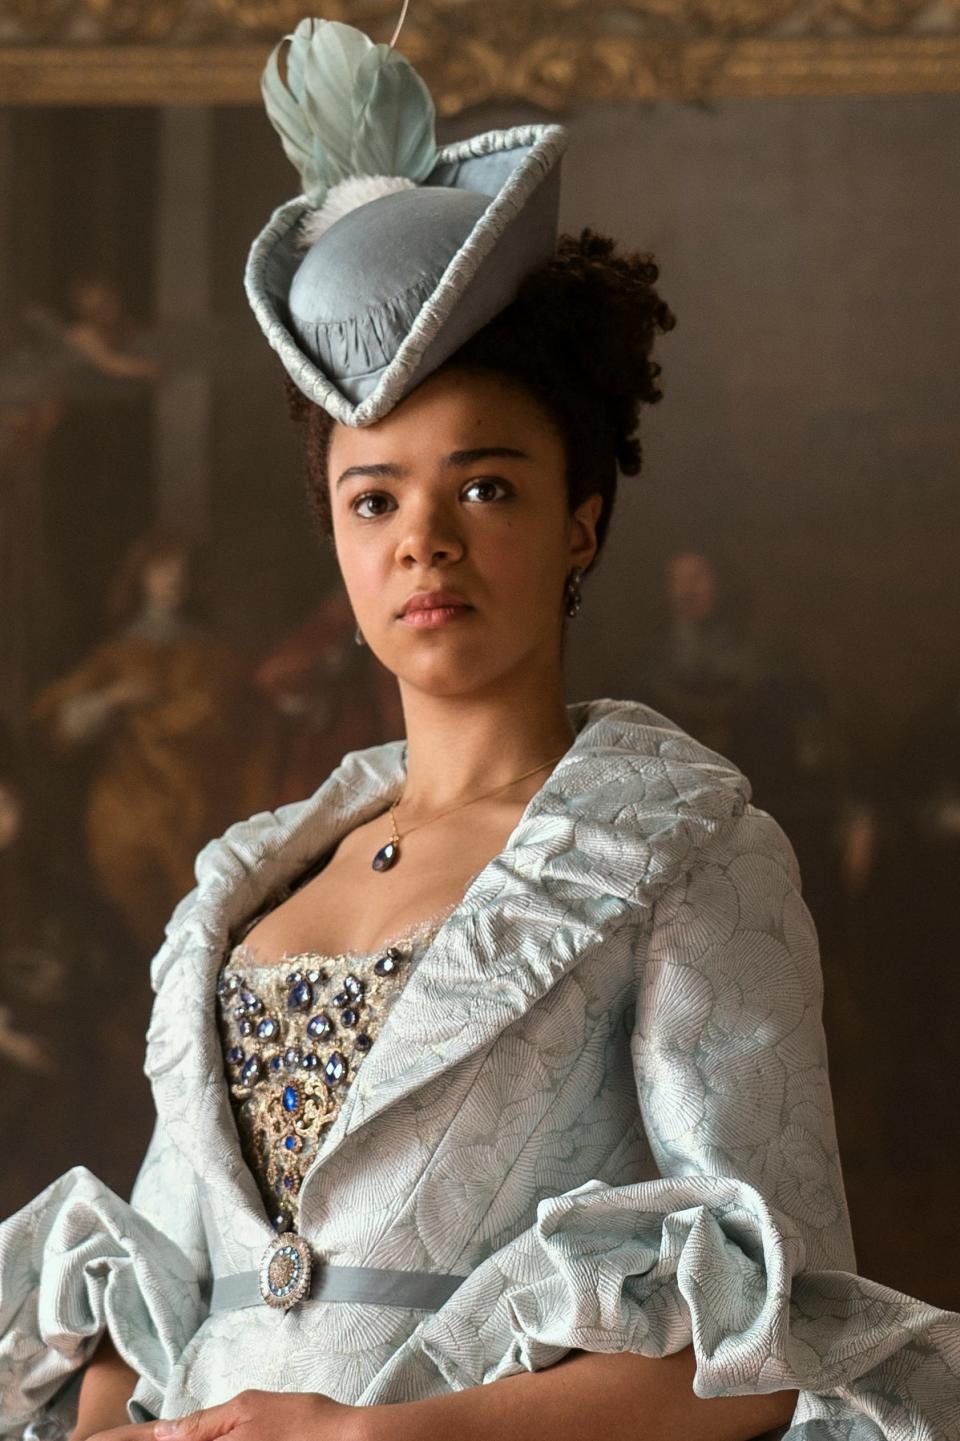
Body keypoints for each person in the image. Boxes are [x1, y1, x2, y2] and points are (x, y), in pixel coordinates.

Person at [1, 16, 957, 1441]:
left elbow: (768, 1342)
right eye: (374, 497)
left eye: (487, 488)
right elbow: (150, 1299)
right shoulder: (248, 886)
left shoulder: (684, 856)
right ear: (332, 533)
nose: (424, 542)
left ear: (583, 519)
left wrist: (372, 1436)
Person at [33, 530, 276, 949]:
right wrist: (112, 698)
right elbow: (63, 724)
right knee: (132, 882)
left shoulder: (214, 656)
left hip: (202, 800)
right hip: (133, 799)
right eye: (163, 567)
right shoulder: (119, 655)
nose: (174, 577)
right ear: (142, 575)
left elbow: (249, 730)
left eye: (183, 568)